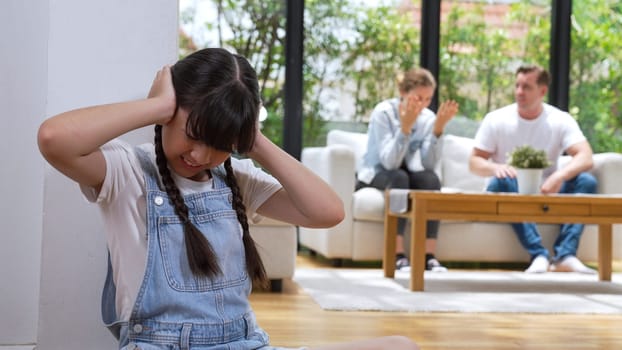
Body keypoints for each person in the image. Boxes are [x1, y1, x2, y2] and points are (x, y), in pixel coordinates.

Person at [37, 48, 419, 350]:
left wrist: (255, 141)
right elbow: (54, 139)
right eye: (193, 133)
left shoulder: (238, 181)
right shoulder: (128, 174)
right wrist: (153, 107)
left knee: (400, 346)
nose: (201, 156)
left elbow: (328, 212)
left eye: (220, 145)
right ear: (171, 112)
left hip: (247, 343)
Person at [469, 64, 598, 274]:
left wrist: (559, 176)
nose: (519, 92)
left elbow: (586, 156)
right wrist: (496, 168)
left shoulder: (559, 119)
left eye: (527, 87)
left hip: (547, 192)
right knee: (505, 180)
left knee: (587, 181)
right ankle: (538, 254)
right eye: (517, 85)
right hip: (507, 188)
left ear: (543, 91)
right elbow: (474, 162)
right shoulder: (496, 119)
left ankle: (565, 255)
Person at [356, 67, 459, 272]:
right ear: (403, 92)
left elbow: (429, 164)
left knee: (431, 180)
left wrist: (437, 130)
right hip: (376, 173)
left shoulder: (428, 118)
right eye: (418, 98)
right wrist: (405, 128)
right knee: (399, 178)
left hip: (407, 172)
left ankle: (428, 256)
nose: (423, 104)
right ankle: (397, 255)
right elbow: (389, 163)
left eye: (428, 99)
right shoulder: (384, 112)